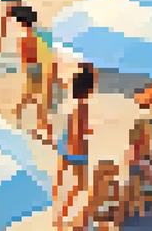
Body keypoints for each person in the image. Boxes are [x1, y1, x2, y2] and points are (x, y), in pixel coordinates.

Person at [55, 64, 96, 228]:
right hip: (76, 146)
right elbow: (79, 130)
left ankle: (60, 214)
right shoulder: (83, 106)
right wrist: (79, 148)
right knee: (82, 184)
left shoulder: (73, 104)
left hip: (65, 142)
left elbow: (73, 126)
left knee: (61, 181)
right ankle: (65, 214)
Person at [12, 5, 53, 142]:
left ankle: (21, 119)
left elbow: (25, 59)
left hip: (33, 69)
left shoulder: (25, 39)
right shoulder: (37, 36)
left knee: (30, 97)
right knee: (38, 100)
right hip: (39, 69)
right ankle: (42, 127)